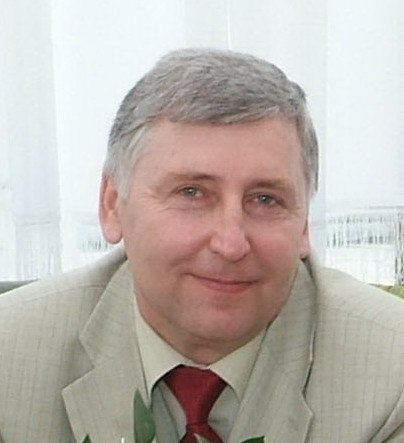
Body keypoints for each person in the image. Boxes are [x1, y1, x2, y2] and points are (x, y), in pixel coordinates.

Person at [1, 48, 404, 443]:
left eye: (266, 199)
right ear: (111, 205)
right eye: (191, 193)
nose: (231, 244)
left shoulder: (392, 379)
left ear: (303, 226)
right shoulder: (9, 359)